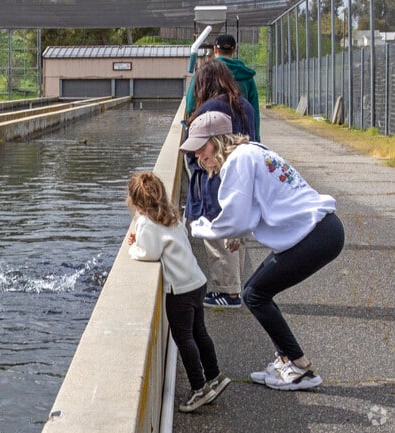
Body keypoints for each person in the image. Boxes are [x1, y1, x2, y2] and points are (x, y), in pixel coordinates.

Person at [180, 111, 345, 390]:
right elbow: (254, 208)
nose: (198, 155)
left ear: (218, 140)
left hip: (314, 234)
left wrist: (195, 228)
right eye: (194, 151)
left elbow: (236, 217)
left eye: (201, 146)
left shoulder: (238, 161)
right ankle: (287, 362)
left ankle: (300, 368)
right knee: (259, 292)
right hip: (322, 230)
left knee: (255, 294)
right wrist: (237, 232)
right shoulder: (251, 151)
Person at [126, 172, 230, 411]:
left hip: (179, 291)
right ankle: (215, 375)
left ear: (135, 201)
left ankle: (199, 388)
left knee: (184, 338)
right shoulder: (171, 215)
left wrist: (134, 248)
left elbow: (149, 253)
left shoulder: (146, 222)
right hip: (196, 282)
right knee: (199, 332)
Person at [184, 60, 256, 308]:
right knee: (236, 231)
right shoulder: (244, 105)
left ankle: (228, 292)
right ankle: (236, 287)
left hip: (214, 178)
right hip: (242, 177)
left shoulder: (209, 109)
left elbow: (193, 147)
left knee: (216, 235)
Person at [185, 34, 261, 139]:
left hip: (210, 136)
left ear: (215, 49)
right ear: (234, 50)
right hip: (239, 136)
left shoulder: (204, 72)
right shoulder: (246, 75)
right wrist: (256, 139)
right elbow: (254, 112)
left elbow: (190, 106)